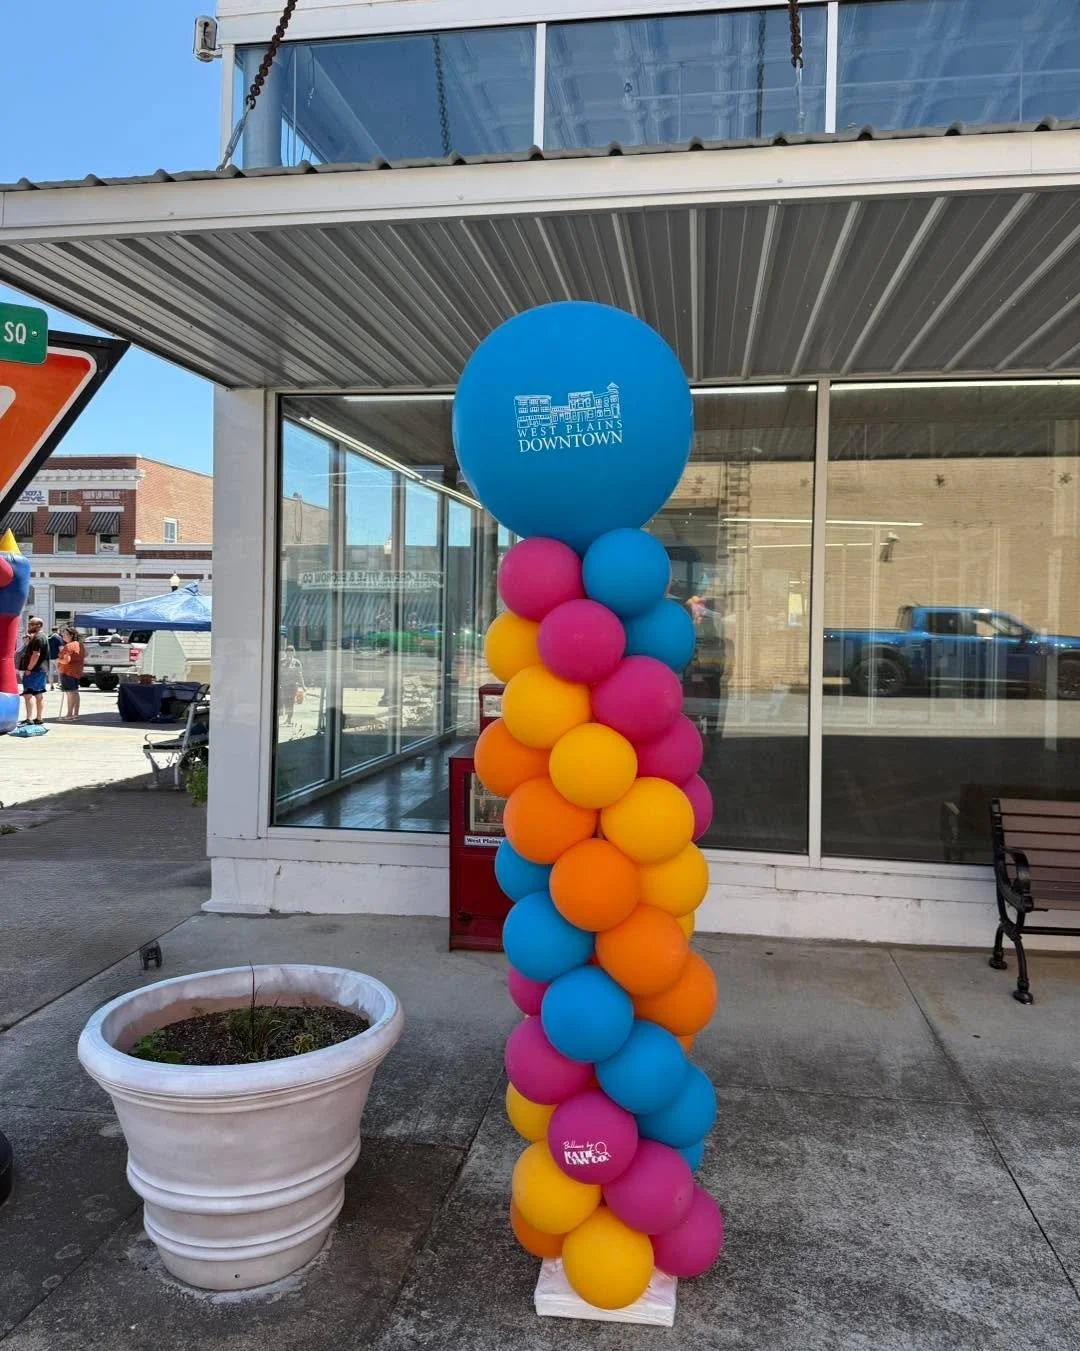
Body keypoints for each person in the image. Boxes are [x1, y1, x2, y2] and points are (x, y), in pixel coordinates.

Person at [17, 616, 49, 725]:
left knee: (28, 694)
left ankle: (29, 718)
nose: (29, 626)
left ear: (38, 625)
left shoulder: (38, 638)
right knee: (38, 694)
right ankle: (39, 718)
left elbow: (36, 654)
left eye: (31, 624)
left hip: (34, 670)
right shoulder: (41, 637)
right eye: (29, 624)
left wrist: (29, 668)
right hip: (41, 669)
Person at [57, 626, 86, 722]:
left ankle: (69, 714)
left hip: (67, 672)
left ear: (71, 635)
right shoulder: (80, 645)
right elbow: (85, 655)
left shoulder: (68, 646)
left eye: (65, 634)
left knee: (70, 693)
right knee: (75, 692)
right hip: (77, 671)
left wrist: (59, 660)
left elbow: (66, 660)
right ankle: (75, 714)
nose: (63, 636)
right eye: (63, 634)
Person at [278, 644, 305, 725]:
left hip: (293, 685)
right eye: (288, 652)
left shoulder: (297, 662)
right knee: (285, 701)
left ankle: (289, 719)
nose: (289, 653)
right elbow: (278, 674)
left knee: (291, 702)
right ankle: (287, 717)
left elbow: (300, 675)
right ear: (286, 652)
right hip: (283, 685)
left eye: (291, 652)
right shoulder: (281, 661)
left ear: (293, 653)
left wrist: (303, 686)